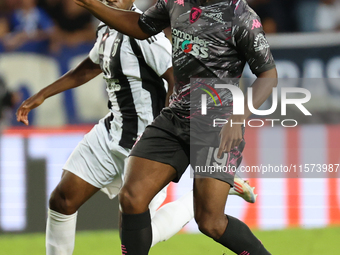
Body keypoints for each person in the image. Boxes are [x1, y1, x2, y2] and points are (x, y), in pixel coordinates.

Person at [16, 0, 256, 254]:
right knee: (61, 200)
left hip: (145, 140)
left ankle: (203, 197)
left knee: (138, 236)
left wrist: (165, 131)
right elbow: (90, 67)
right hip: (110, 132)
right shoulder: (105, 27)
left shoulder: (147, 34)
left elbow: (176, 77)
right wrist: (42, 94)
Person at [73, 0, 277, 254]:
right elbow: (141, 25)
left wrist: (238, 116)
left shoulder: (241, 15)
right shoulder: (174, 2)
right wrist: (91, 5)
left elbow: (268, 75)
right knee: (132, 197)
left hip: (217, 125)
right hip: (175, 117)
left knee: (210, 222)